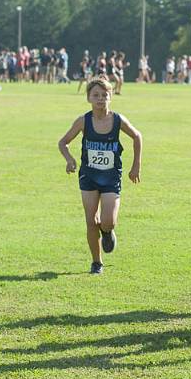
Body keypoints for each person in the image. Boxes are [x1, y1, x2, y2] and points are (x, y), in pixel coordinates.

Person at [57, 76, 143, 274]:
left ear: (111, 96)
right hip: (89, 176)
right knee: (90, 220)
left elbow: (137, 136)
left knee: (108, 221)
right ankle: (97, 263)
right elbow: (63, 142)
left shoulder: (118, 120)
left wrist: (136, 165)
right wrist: (69, 160)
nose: (100, 99)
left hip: (111, 177)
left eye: (105, 95)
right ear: (88, 98)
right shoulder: (83, 121)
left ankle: (107, 231)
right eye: (96, 95)